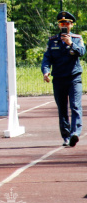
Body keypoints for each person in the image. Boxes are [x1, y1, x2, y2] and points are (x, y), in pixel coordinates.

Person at [41, 11, 84, 147]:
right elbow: (46, 58)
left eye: (67, 23)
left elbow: (82, 52)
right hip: (59, 79)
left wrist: (71, 43)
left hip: (74, 78)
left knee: (75, 106)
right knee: (62, 109)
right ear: (59, 26)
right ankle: (66, 136)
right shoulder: (52, 40)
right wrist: (46, 72)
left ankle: (75, 133)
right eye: (62, 23)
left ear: (71, 25)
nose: (64, 25)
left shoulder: (77, 38)